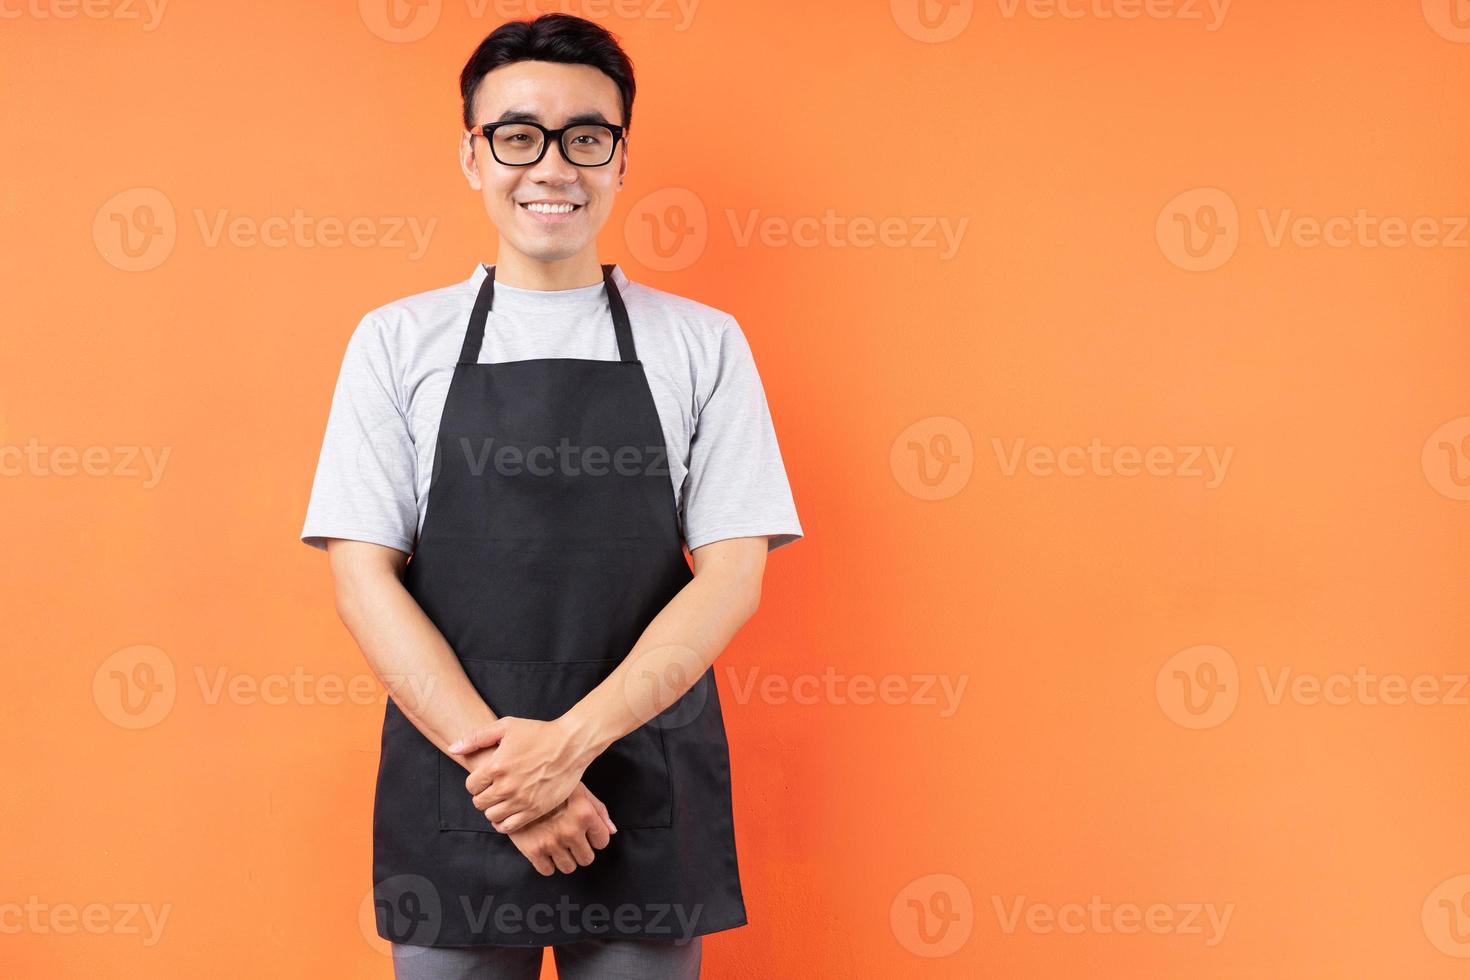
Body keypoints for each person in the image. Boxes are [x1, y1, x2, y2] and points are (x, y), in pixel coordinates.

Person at [299, 13, 803, 979]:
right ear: (472, 154)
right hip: (461, 776)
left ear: (620, 159)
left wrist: (568, 749)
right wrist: (509, 774)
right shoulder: (397, 341)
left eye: (587, 137)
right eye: (518, 135)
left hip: (637, 781)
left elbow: (733, 575)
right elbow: (362, 579)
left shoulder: (702, 342)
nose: (552, 167)